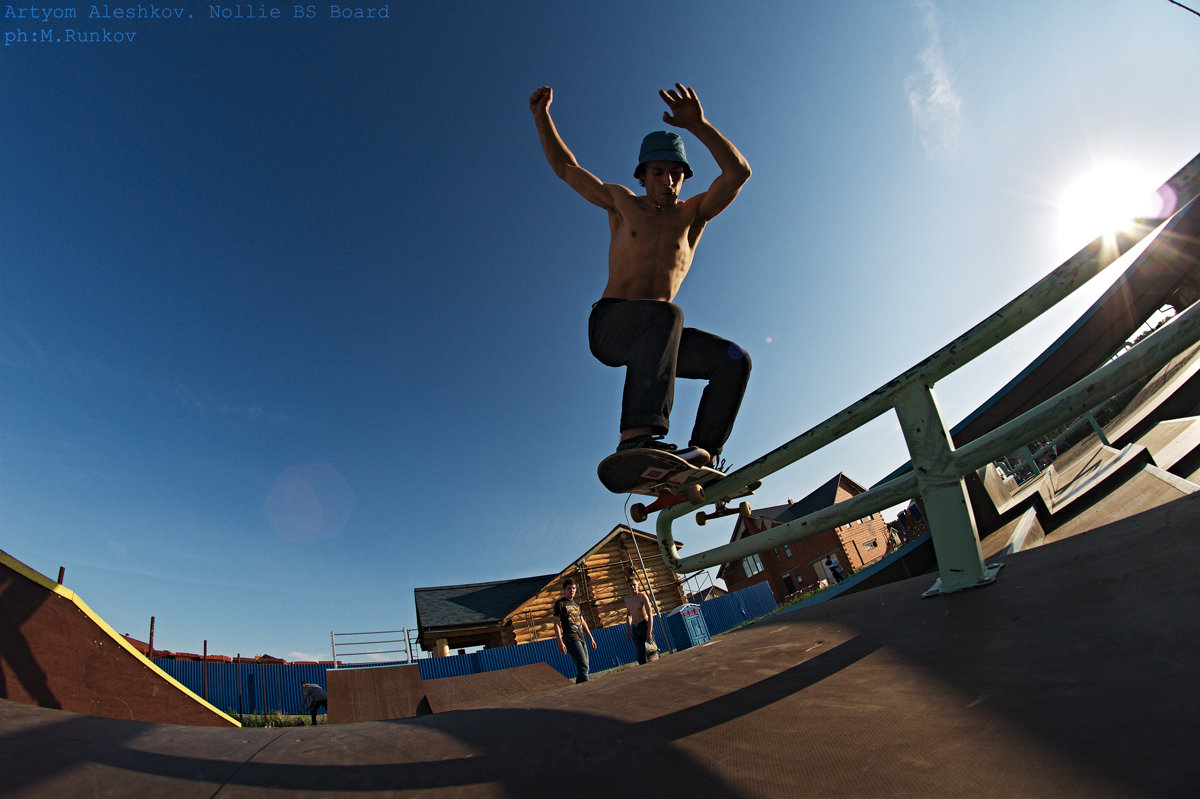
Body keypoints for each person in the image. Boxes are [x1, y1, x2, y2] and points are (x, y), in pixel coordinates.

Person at [530, 83, 752, 467]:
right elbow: (566, 169)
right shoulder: (621, 203)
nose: (668, 182)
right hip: (612, 323)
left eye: (676, 175)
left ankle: (701, 455)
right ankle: (636, 438)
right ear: (643, 176)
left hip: (659, 339)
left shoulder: (692, 215)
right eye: (659, 172)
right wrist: (542, 117)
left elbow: (738, 173)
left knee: (734, 360)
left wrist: (699, 125)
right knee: (667, 314)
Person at [553, 578, 597, 683]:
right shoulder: (560, 603)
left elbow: (582, 622)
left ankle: (578, 690)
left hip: (581, 637)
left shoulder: (576, 604)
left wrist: (591, 638)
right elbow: (556, 623)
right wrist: (560, 642)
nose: (571, 590)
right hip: (571, 638)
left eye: (573, 588)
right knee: (583, 666)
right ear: (564, 590)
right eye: (569, 588)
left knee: (584, 667)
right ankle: (588, 689)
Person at [624, 575, 655, 665]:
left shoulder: (642, 597)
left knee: (651, 654)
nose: (633, 587)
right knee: (640, 657)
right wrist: (628, 629)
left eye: (634, 585)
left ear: (638, 585)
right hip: (635, 628)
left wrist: (649, 632)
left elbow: (650, 614)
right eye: (630, 585)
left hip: (644, 626)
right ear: (628, 587)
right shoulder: (627, 599)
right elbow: (629, 614)